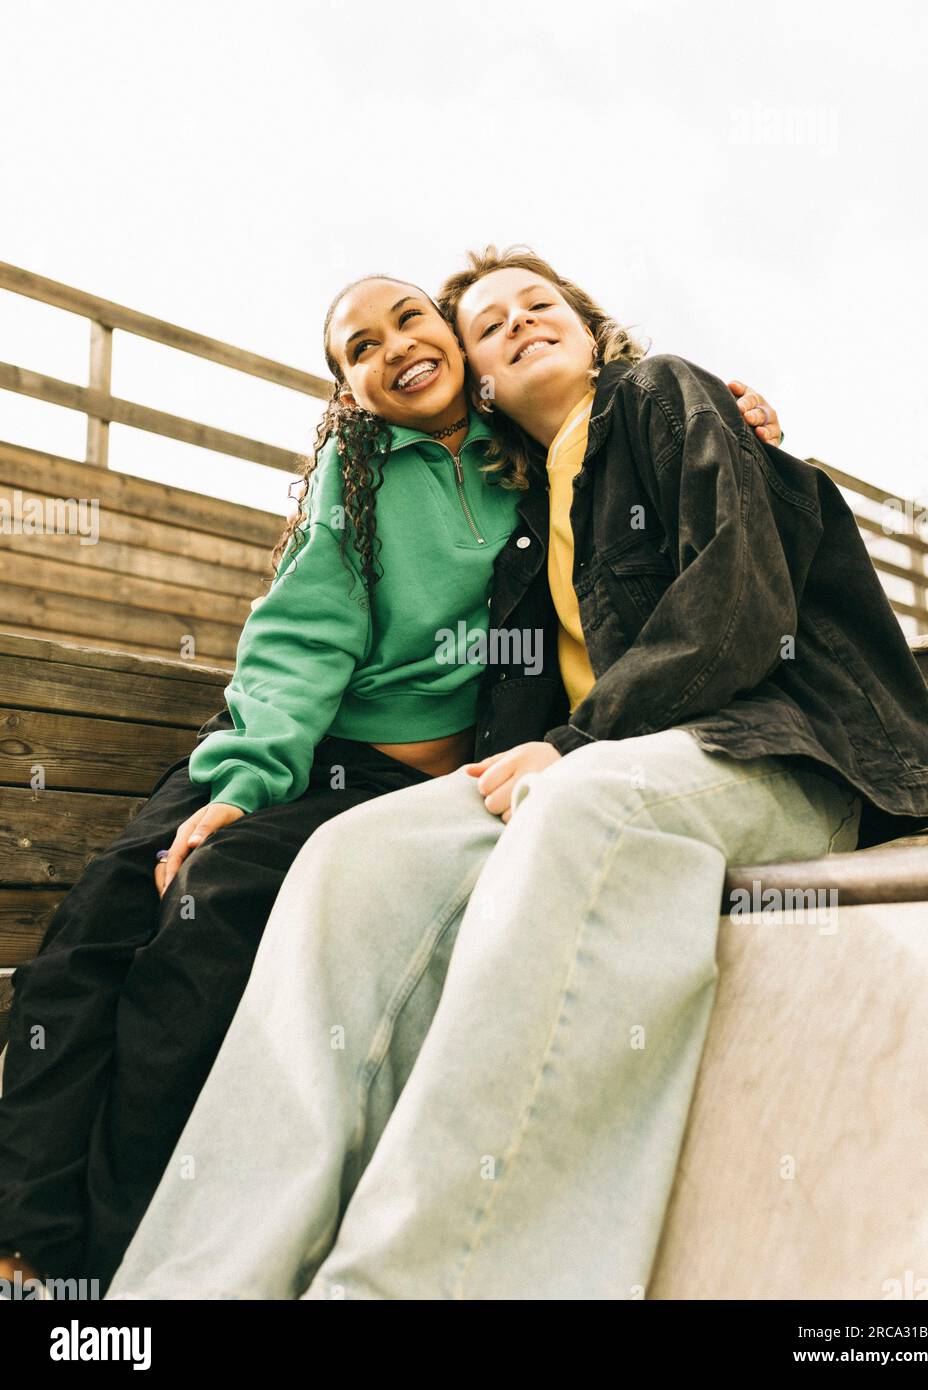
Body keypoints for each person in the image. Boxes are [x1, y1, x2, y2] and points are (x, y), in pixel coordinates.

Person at [104, 245, 928, 1301]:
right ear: (483, 385)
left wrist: (572, 747)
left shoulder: (663, 396)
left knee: (580, 802)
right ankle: (198, 1281)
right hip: (611, 759)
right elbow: (493, 712)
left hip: (782, 748)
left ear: (591, 331)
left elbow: (739, 605)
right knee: (352, 855)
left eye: (537, 304)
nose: (514, 324)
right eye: (489, 325)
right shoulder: (522, 528)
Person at [4, 273, 783, 1294]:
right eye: (359, 348)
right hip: (291, 746)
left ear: (459, 346)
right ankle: (26, 1250)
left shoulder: (544, 458)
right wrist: (242, 783)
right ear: (350, 392)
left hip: (395, 788)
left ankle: (117, 1267)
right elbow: (304, 636)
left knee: (203, 925)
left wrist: (746, 419)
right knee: (102, 920)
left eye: (412, 319)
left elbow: (639, 442)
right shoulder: (359, 473)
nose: (395, 347)